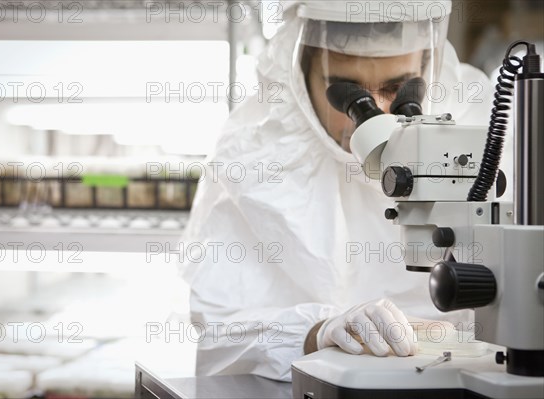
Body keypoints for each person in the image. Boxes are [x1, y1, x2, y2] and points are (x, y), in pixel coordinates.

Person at [179, 0, 502, 382]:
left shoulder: (482, 126)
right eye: (348, 95)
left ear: (429, 69)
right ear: (301, 73)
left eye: (398, 88)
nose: (379, 114)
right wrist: (316, 333)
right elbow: (220, 338)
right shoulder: (253, 156)